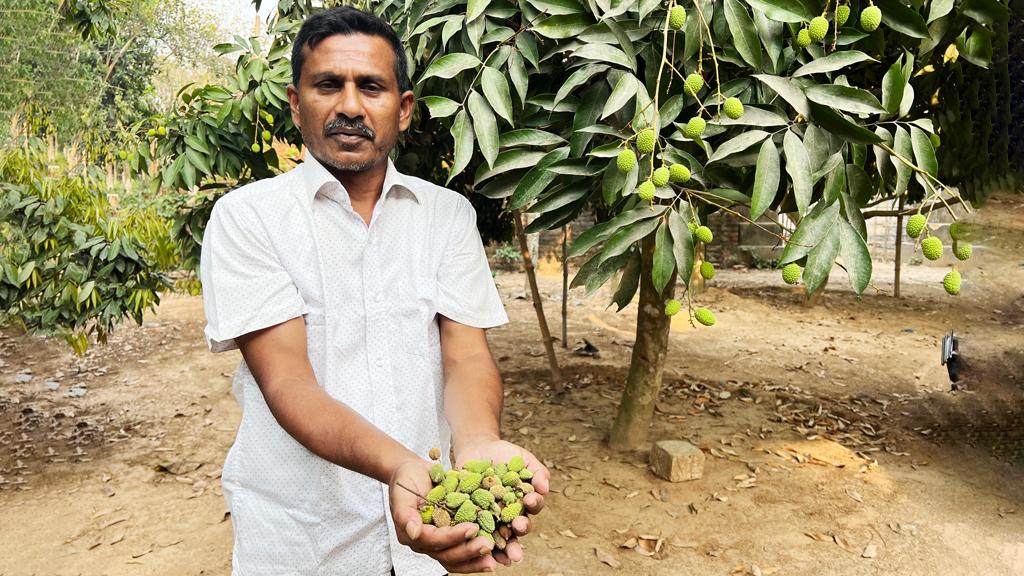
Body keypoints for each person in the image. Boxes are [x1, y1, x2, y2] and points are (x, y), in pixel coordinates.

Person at [199, 6, 548, 575]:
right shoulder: (248, 219)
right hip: (300, 539)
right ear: (295, 102)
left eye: (372, 87)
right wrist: (400, 466)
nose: (350, 106)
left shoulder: (446, 216)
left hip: (429, 522)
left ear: (403, 108)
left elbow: (465, 355)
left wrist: (479, 441)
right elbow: (287, 379)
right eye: (328, 85)